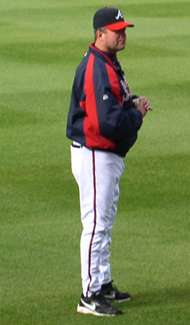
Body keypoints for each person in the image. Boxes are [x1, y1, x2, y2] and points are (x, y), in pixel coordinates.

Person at [66, 6, 151, 317]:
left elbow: (112, 107)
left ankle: (101, 283)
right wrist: (136, 114)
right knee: (96, 225)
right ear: (100, 34)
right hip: (95, 154)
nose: (123, 35)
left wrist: (129, 103)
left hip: (104, 155)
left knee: (105, 223)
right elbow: (107, 124)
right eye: (117, 31)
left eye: (124, 29)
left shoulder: (107, 63)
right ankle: (88, 295)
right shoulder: (96, 68)